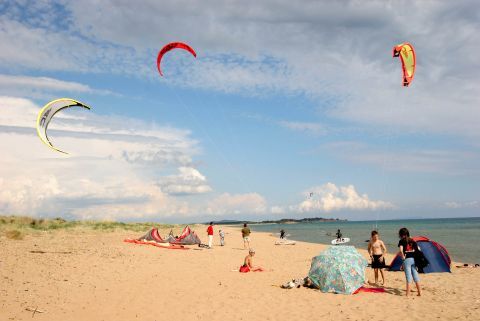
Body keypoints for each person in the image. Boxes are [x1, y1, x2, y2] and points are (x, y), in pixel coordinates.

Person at [398, 227, 422, 296]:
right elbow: (418, 249)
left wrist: (403, 258)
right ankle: (419, 292)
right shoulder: (412, 240)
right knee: (415, 276)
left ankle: (407, 294)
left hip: (407, 260)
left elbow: (401, 250)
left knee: (408, 277)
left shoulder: (401, 241)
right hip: (413, 259)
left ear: (401, 234)